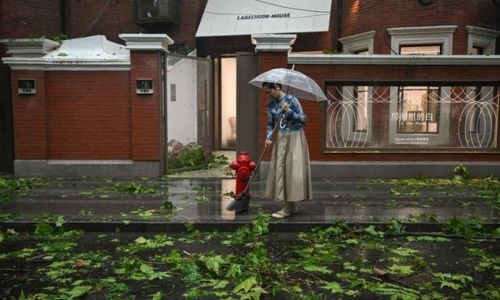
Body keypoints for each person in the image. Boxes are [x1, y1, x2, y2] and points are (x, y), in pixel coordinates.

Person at [262, 82, 312, 218]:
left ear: (277, 88)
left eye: (269, 92)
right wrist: (268, 137)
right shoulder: (271, 104)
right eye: (265, 92)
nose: (268, 95)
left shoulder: (292, 100)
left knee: (291, 170)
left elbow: (303, 119)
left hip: (295, 138)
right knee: (281, 170)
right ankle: (291, 205)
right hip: (281, 138)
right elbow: (270, 123)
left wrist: (289, 111)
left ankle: (288, 207)